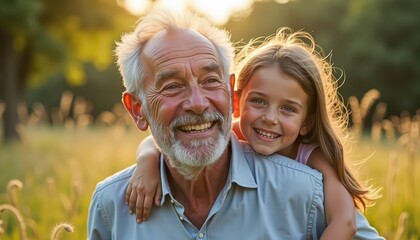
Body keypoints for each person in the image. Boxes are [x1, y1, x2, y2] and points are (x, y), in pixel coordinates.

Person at [87, 7, 384, 239]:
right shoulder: (110, 206)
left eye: (210, 81)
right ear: (138, 109)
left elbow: (346, 224)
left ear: (229, 94)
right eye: (173, 86)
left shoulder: (309, 189)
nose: (199, 103)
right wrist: (147, 157)